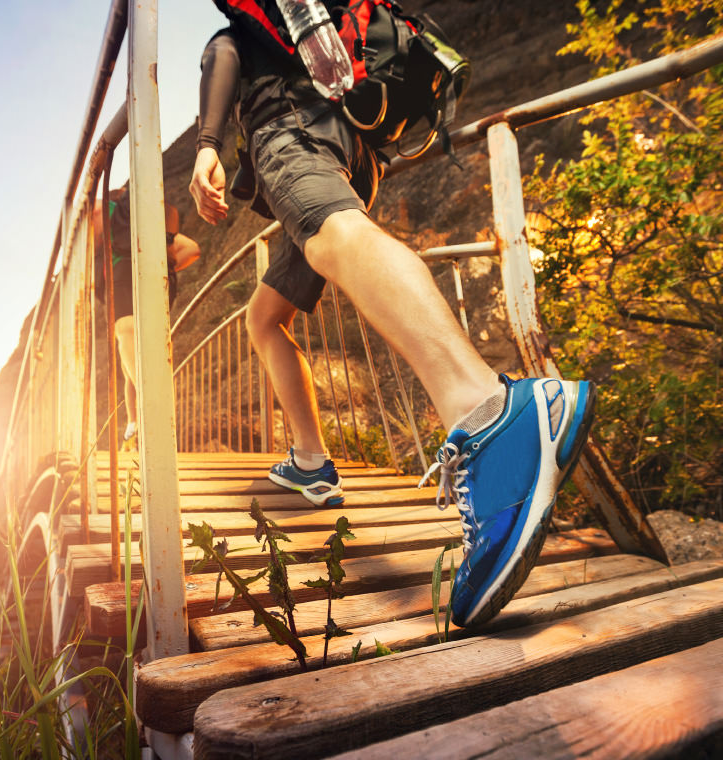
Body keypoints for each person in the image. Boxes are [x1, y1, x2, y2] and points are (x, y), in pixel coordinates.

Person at [188, 14, 596, 628]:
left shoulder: (243, 31)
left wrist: (207, 146)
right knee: (264, 316)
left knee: (333, 235)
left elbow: (222, 54)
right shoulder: (313, 24)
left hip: (290, 128)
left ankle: (488, 412)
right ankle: (310, 464)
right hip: (355, 150)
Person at [94, 188, 200, 445]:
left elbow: (94, 216)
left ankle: (148, 414)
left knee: (127, 333)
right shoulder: (153, 226)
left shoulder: (104, 209)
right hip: (160, 276)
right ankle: (137, 423)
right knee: (142, 350)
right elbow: (192, 249)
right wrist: (168, 263)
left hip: (122, 275)